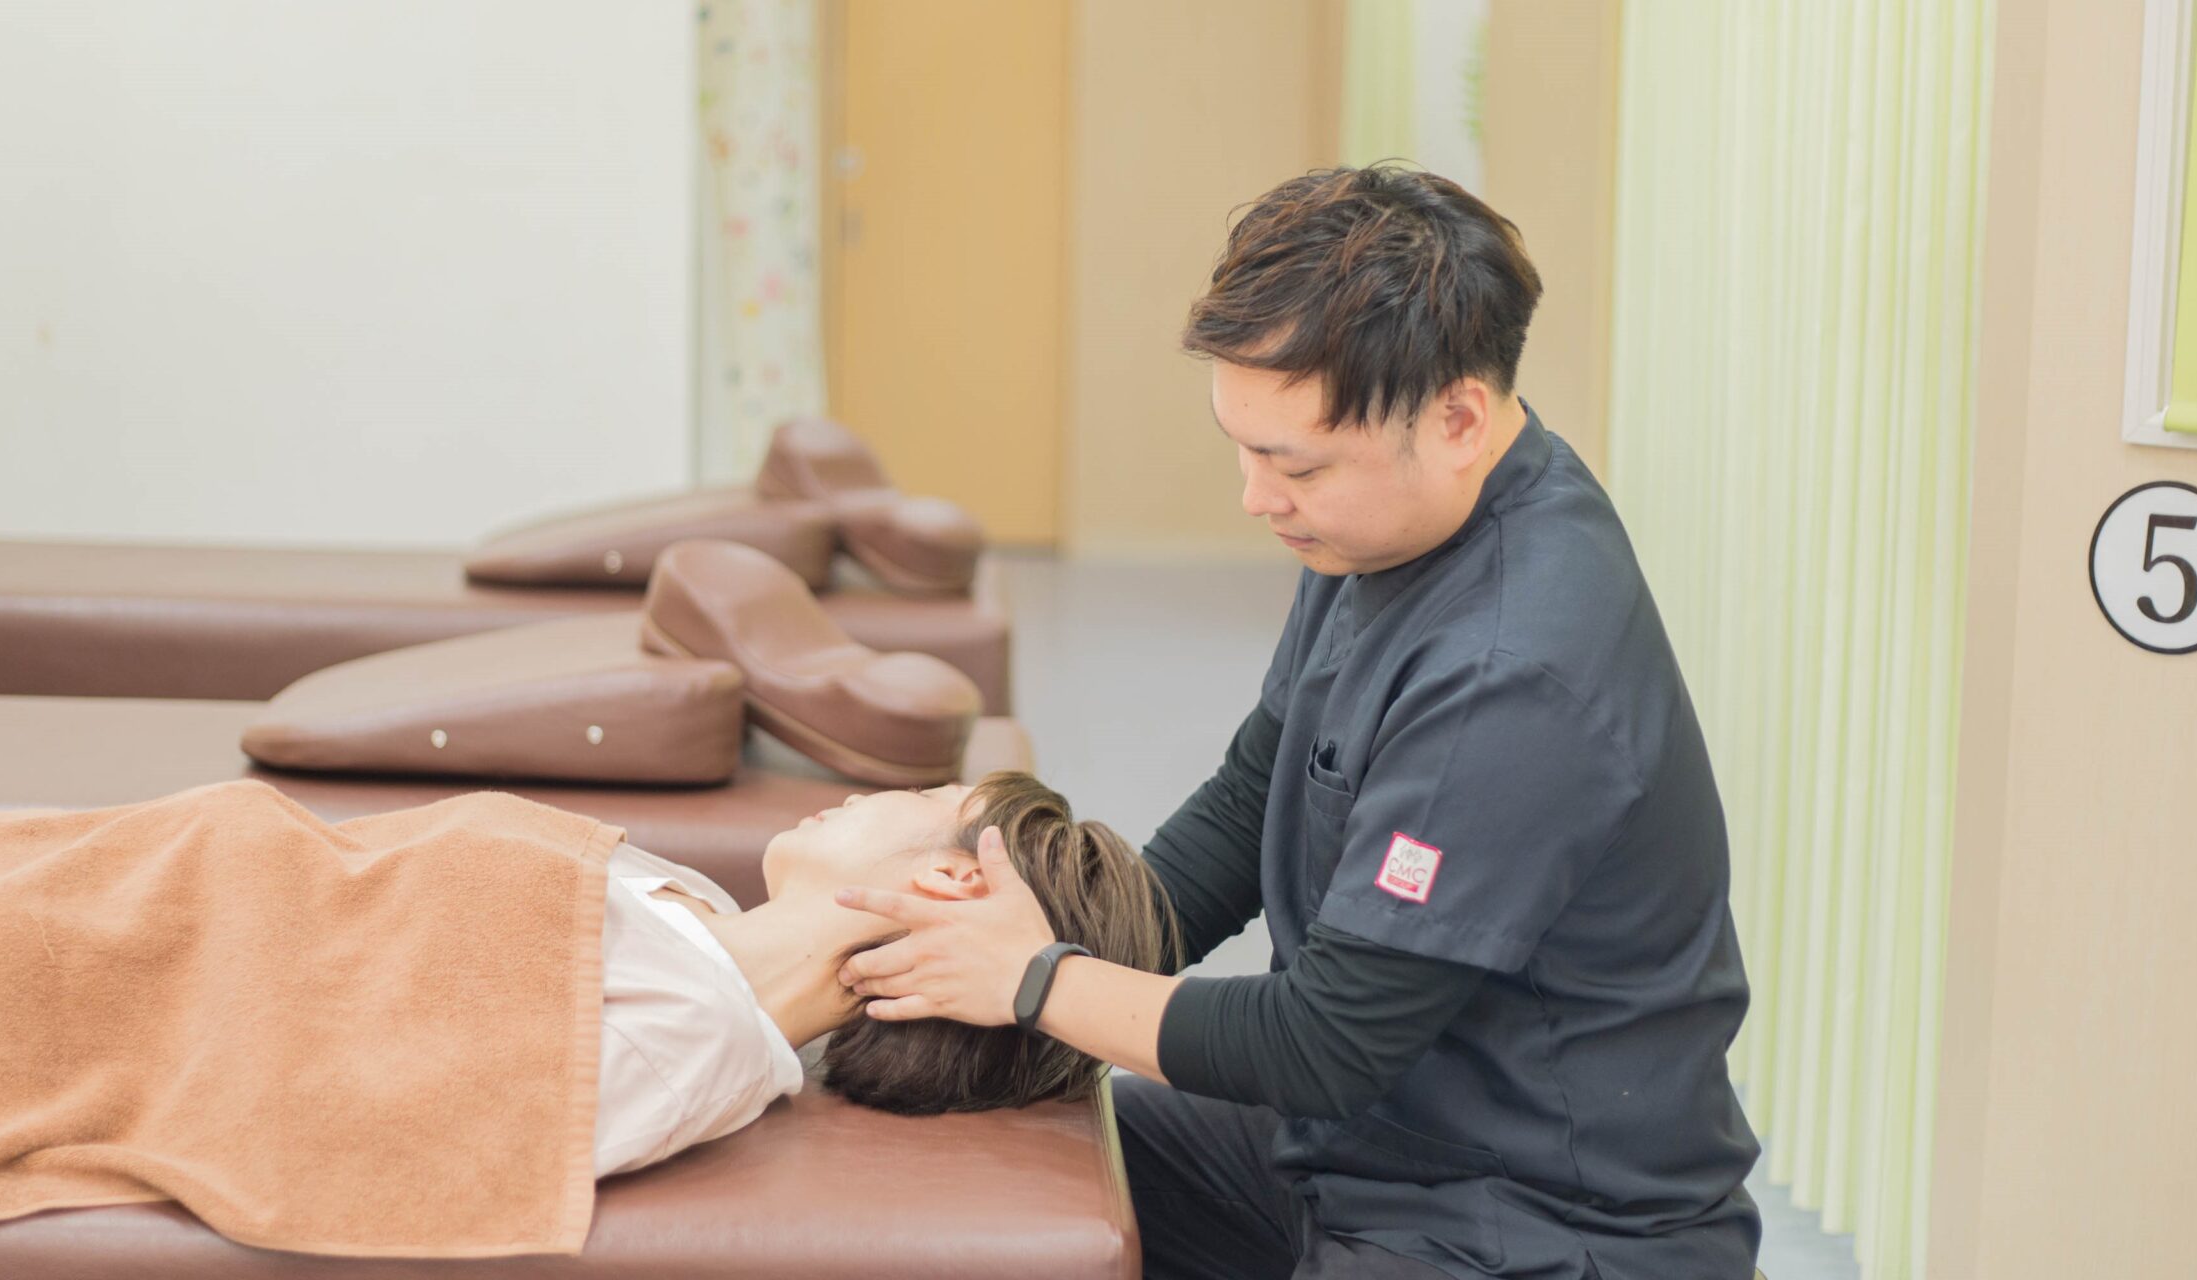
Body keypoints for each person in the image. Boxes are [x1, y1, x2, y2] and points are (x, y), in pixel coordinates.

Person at [834, 164, 1763, 1279]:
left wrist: (1038, 978)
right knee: (1009, 1177)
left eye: (1295, 462)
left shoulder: (1515, 671)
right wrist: (1037, 930)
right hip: (1361, 1148)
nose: (1256, 496)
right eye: (1243, 447)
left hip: (1527, 1222)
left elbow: (1326, 1040)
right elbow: (1249, 793)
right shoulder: (1377, 528)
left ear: (1459, 417)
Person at [601, 768, 1177, 1173]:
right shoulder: (693, 896)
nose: (863, 796)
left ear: (954, 875)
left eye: (926, 793)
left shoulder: (687, 1034)